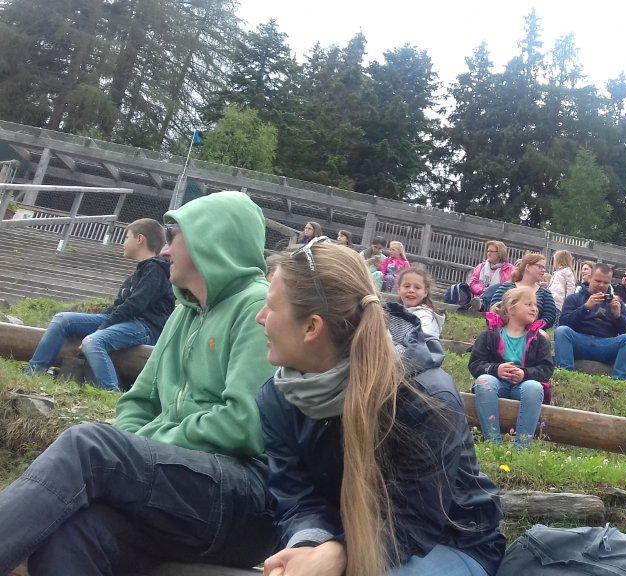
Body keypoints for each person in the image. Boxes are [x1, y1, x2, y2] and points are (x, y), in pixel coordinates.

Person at [0, 192, 278, 575]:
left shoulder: (257, 307)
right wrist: (140, 445)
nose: (164, 251)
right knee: (76, 535)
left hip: (242, 496)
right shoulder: (183, 314)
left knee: (89, 444)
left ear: (210, 239)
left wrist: (144, 445)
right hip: (180, 488)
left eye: (174, 236)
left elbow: (244, 423)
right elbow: (138, 401)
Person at [255, 242, 505, 576]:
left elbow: (415, 521)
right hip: (346, 537)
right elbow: (295, 497)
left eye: (271, 306)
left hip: (448, 543)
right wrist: (309, 546)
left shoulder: (424, 398)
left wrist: (338, 555)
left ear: (312, 327)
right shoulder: (279, 397)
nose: (260, 318)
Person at [22, 218, 175, 391]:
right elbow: (118, 306)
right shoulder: (138, 273)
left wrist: (100, 329)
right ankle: (34, 372)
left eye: (127, 237)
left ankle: (110, 392)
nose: (123, 243)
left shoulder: (155, 270)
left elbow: (134, 305)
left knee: (93, 342)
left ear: (140, 239)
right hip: (126, 321)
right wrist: (97, 322)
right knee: (62, 319)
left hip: (145, 327)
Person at [469, 287, 553, 448]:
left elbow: (546, 369)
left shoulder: (539, 339)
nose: (534, 308)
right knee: (484, 381)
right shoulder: (490, 335)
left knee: (534, 387)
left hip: (523, 387)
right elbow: (475, 363)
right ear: (511, 308)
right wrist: (495, 369)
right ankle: (493, 443)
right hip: (497, 384)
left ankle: (522, 446)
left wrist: (525, 374)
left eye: (535, 305)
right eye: (528, 304)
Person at [555, 263, 626, 381]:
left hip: (606, 346)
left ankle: (619, 380)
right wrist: (585, 307)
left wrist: (618, 316)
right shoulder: (574, 298)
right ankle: (565, 374)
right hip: (579, 342)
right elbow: (564, 323)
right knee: (562, 331)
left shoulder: (616, 303)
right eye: (598, 281)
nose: (601, 285)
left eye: (605, 282)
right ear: (590, 278)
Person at [485, 253, 558, 328]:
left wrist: (535, 326)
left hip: (533, 332)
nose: (543, 270)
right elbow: (495, 308)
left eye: (544, 268)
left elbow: (550, 316)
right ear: (528, 267)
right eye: (539, 267)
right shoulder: (507, 287)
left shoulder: (545, 293)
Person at [396, 267, 445, 338]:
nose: (411, 290)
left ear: (425, 292)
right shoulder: (395, 312)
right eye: (407, 286)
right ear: (399, 289)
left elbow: (419, 340)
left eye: (417, 287)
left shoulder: (425, 317)